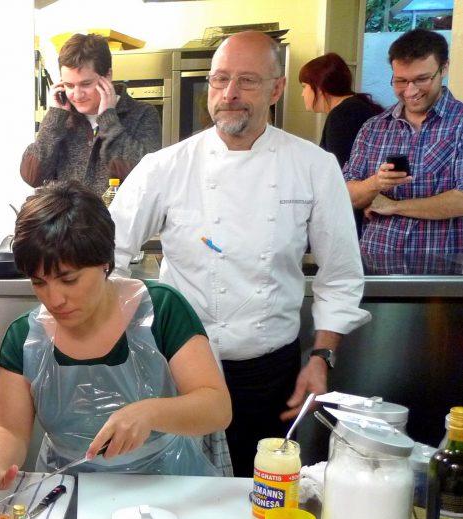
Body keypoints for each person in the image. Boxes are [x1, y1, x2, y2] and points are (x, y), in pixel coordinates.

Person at [111, 32, 370, 477]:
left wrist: (321, 357)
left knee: (260, 495)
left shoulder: (313, 167)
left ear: (276, 89)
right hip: (176, 371)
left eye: (247, 81)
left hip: (269, 374)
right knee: (176, 491)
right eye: (220, 80)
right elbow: (109, 253)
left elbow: (341, 275)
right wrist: (126, 344)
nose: (229, 94)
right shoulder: (165, 166)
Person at [0, 180, 232, 509]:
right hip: (66, 492)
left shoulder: (161, 308)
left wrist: (150, 413)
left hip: (166, 486)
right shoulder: (25, 337)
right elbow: (9, 427)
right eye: (39, 282)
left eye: (69, 279)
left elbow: (216, 407)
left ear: (104, 262)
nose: (55, 298)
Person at [343, 28, 463, 274]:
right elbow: (345, 194)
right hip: (374, 268)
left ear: (444, 68)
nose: (410, 91)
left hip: (444, 276)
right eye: (400, 81)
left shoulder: (459, 124)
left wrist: (394, 206)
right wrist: (375, 183)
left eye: (421, 79)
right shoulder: (374, 127)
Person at [20, 32, 162, 196]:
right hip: (68, 221)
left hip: (119, 221)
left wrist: (108, 119)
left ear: (107, 76)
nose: (77, 94)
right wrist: (54, 118)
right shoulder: (60, 119)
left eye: (86, 84)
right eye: (69, 85)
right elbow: (32, 176)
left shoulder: (143, 114)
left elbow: (147, 177)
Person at [298, 52, 384, 237]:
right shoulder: (355, 107)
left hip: (357, 222)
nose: (302, 93)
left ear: (319, 87)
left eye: (304, 86)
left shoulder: (343, 116)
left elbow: (340, 178)